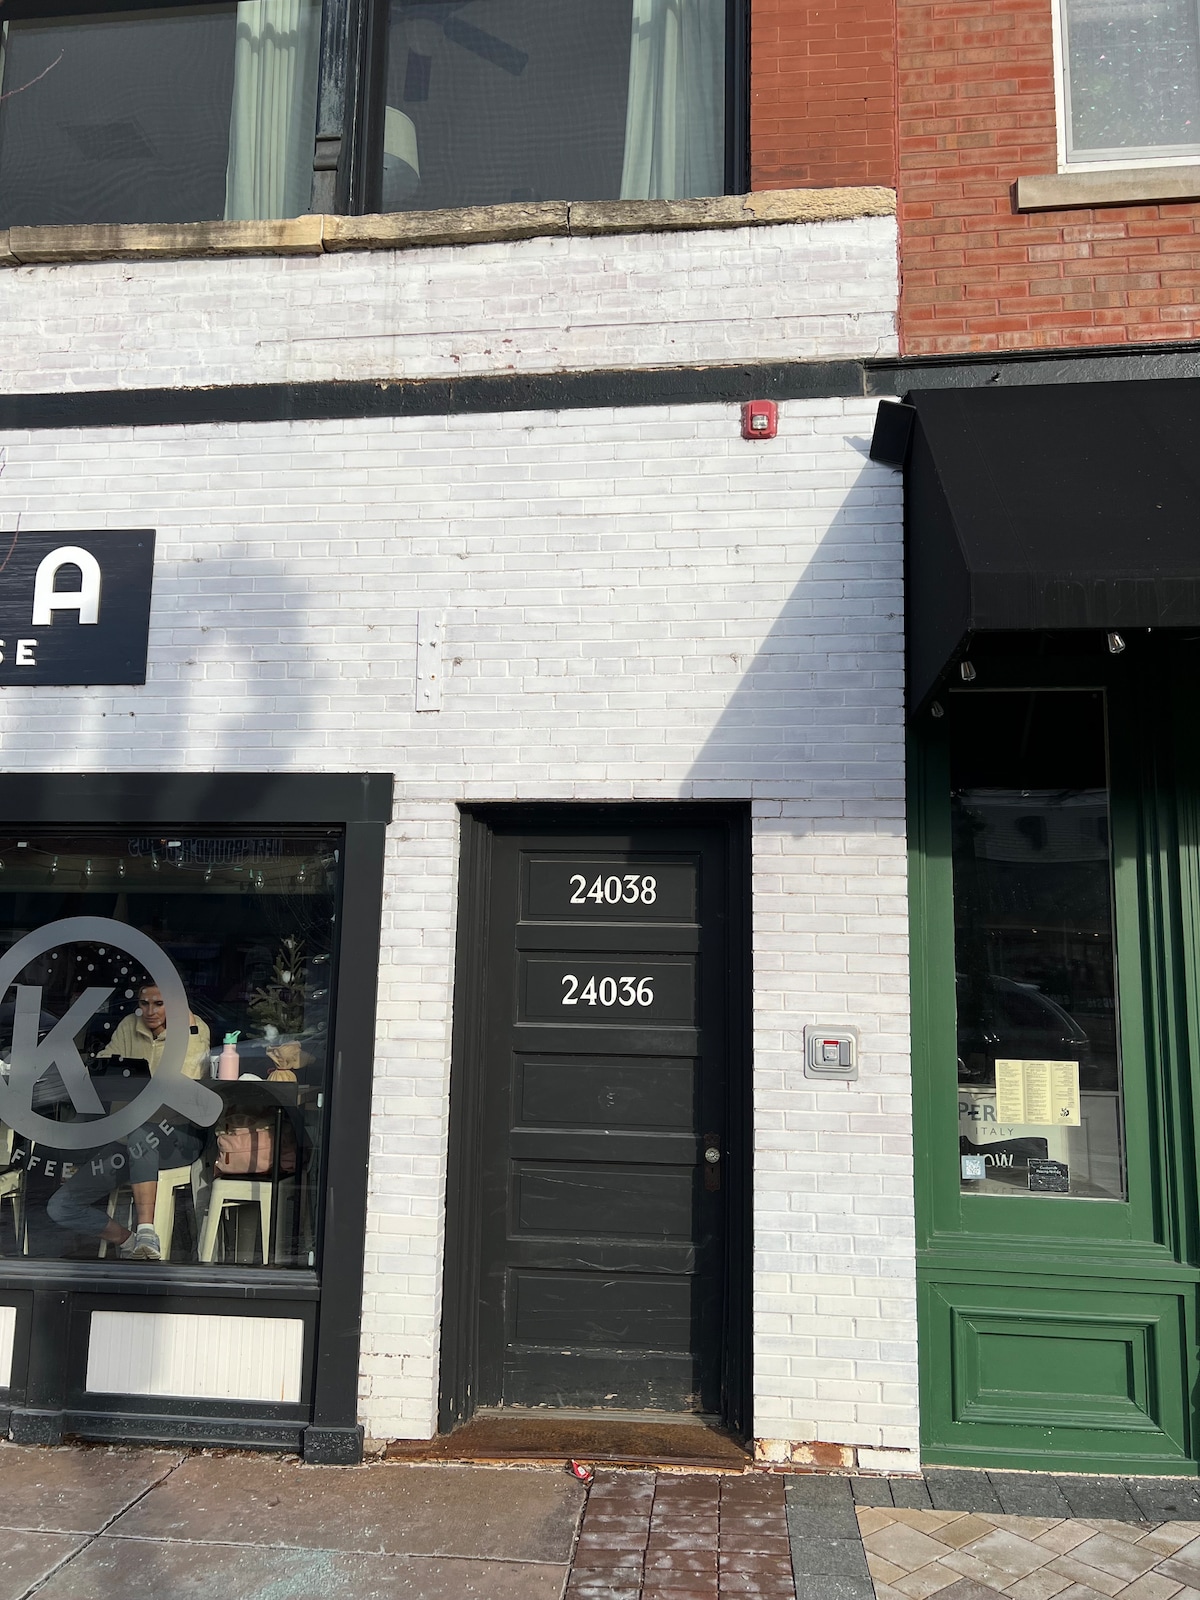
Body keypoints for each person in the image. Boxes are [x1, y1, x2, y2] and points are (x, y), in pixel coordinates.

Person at [45, 982, 210, 1260]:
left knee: (140, 1133)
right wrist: (102, 1069)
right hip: (127, 1140)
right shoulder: (129, 1025)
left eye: (159, 1004)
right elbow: (104, 1066)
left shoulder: (195, 1029)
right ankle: (133, 1242)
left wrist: (187, 1026)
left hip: (177, 1136)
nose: (150, 1010)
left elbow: (192, 1077)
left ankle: (147, 1229)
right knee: (61, 1206)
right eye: (144, 1003)